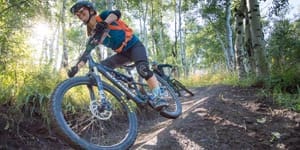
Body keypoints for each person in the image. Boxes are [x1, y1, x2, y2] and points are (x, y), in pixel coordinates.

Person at [68, 1, 168, 110]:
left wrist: (104, 23)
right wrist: (76, 68)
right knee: (102, 67)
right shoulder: (93, 35)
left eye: (82, 12)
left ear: (91, 10)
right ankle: (128, 89)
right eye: (78, 15)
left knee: (142, 69)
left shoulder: (104, 16)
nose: (80, 16)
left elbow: (116, 13)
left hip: (134, 46)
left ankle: (159, 96)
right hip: (122, 54)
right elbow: (85, 55)